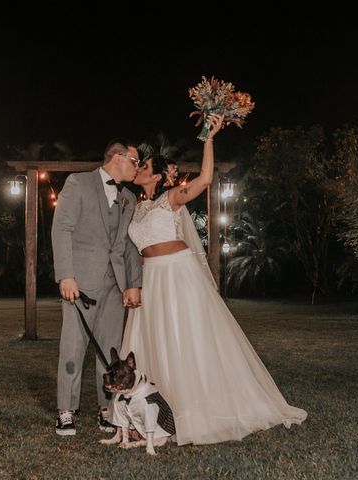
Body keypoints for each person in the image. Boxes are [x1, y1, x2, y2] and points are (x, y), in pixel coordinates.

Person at [121, 114, 307, 445]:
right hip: (151, 277)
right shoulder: (135, 206)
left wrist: (208, 137)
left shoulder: (171, 198)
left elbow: (206, 178)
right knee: (155, 339)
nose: (138, 168)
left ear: (160, 173)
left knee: (186, 337)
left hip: (177, 273)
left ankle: (195, 410)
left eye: (144, 164)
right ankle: (151, 412)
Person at [51, 138, 143, 436]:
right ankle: (66, 410)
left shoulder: (128, 197)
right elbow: (62, 228)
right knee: (73, 347)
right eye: (135, 161)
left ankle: (106, 409)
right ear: (118, 157)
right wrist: (66, 274)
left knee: (109, 351)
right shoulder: (78, 183)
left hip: (114, 285)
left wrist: (133, 284)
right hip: (80, 283)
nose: (137, 167)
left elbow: (129, 245)